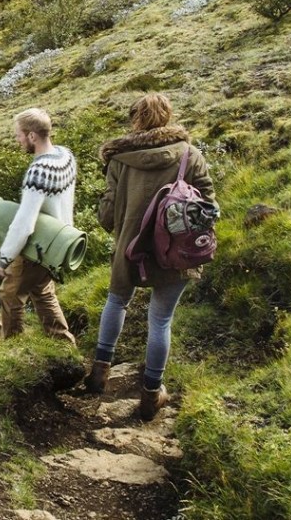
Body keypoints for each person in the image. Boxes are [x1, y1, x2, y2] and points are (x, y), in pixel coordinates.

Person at [90, 93, 215, 420]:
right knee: (160, 320)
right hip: (175, 252)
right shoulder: (190, 155)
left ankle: (99, 373)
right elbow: (209, 208)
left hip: (129, 249)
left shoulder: (119, 160)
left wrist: (126, 227)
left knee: (116, 301)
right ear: (168, 117)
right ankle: (150, 395)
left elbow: (106, 214)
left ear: (136, 119)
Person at [0, 108, 78, 346]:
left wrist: (5, 257)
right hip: (59, 240)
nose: (17, 140)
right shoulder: (65, 156)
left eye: (19, 135)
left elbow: (25, 222)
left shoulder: (38, 171)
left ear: (32, 136)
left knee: (10, 294)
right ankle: (63, 344)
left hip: (39, 244)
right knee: (42, 290)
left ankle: (13, 346)